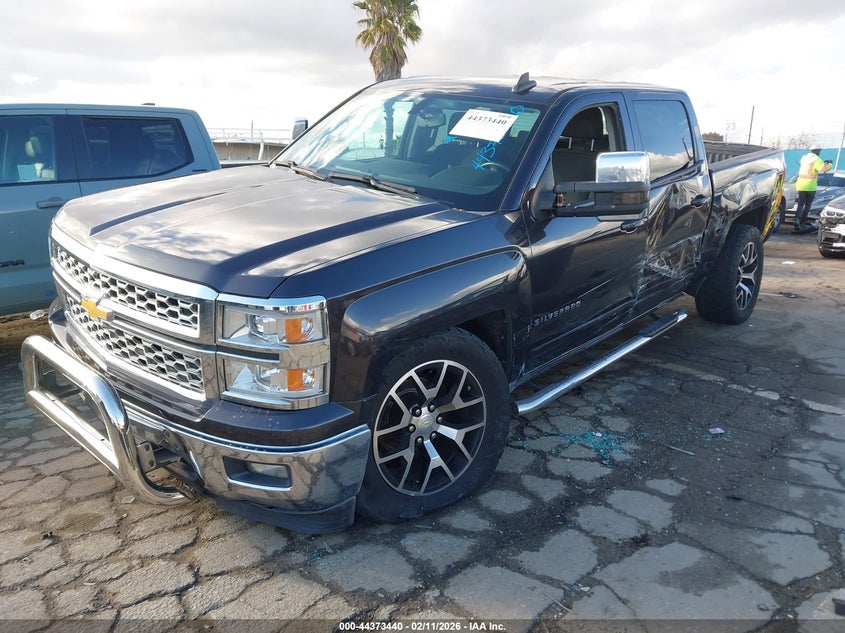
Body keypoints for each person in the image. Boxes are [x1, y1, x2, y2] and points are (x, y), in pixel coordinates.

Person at [794, 148, 833, 232]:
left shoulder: (804, 158)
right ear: (818, 151)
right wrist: (829, 164)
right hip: (810, 186)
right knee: (807, 205)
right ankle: (802, 223)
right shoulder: (817, 159)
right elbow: (823, 169)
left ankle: (796, 220)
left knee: (800, 204)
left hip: (800, 184)